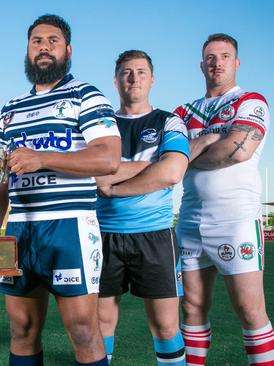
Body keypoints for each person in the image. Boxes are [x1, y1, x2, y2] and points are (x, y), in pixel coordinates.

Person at [0, 14, 121, 366]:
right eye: (37, 41)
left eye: (53, 41)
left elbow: (108, 158)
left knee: (82, 329)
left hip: (70, 226)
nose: (44, 47)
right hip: (19, 229)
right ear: (27, 49)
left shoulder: (85, 95)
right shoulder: (10, 109)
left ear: (68, 49)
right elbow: (2, 178)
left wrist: (42, 158)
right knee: (22, 327)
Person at [174, 33, 274, 366]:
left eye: (225, 56)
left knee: (249, 309)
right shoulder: (181, 112)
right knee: (191, 308)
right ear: (201, 63)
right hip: (189, 220)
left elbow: (238, 150)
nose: (217, 63)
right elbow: (165, 161)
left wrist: (185, 156)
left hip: (236, 220)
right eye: (211, 57)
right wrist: (207, 143)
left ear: (237, 62)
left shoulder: (251, 100)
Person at [95, 50, 189, 365]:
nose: (134, 78)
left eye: (141, 72)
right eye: (126, 72)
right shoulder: (99, 125)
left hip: (155, 236)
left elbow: (171, 172)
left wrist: (113, 186)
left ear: (152, 79)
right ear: (116, 79)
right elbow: (94, 173)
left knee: (165, 326)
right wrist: (148, 165)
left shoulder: (168, 121)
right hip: (104, 235)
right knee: (100, 324)